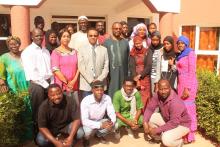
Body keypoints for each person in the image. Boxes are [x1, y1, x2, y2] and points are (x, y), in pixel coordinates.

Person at [0, 36, 33, 141]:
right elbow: (1, 76)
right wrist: (2, 85)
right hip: (14, 92)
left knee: (30, 113)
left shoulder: (24, 55)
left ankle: (30, 138)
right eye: (11, 44)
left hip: (28, 90)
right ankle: (19, 139)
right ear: (8, 45)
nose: (14, 46)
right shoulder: (4, 58)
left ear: (20, 44)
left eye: (16, 43)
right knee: (18, 115)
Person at [21, 28, 52, 136]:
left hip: (48, 84)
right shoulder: (27, 52)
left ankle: (49, 132)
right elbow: (32, 73)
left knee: (49, 109)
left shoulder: (46, 50)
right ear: (32, 37)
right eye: (37, 36)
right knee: (38, 111)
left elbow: (50, 69)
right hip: (37, 85)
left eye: (41, 35)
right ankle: (39, 136)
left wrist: (51, 83)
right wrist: (47, 85)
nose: (39, 37)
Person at [143, 79, 191, 147]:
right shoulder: (158, 95)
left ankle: (179, 143)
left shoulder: (175, 102)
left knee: (166, 139)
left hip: (181, 125)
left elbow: (174, 123)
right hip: (168, 120)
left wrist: (157, 130)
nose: (163, 92)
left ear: (170, 88)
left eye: (165, 89)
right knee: (150, 117)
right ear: (158, 89)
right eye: (161, 89)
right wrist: (145, 122)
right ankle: (158, 138)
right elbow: (149, 108)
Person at [176, 35, 198, 143]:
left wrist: (187, 88)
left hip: (189, 84)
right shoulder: (180, 55)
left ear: (186, 43)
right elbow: (180, 69)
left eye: (182, 43)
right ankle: (184, 134)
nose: (180, 45)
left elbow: (192, 71)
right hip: (181, 83)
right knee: (183, 109)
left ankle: (190, 136)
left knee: (188, 109)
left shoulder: (190, 53)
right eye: (178, 43)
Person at [81, 81, 116, 147]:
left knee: (115, 125)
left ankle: (98, 135)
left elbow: (111, 112)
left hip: (100, 120)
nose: (99, 92)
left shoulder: (107, 98)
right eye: (97, 90)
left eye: (101, 90)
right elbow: (84, 120)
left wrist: (112, 122)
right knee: (88, 131)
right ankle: (86, 139)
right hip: (89, 121)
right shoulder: (86, 100)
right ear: (92, 90)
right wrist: (100, 125)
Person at [51, 28, 80, 106]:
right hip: (62, 86)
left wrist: (74, 81)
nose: (66, 38)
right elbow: (55, 70)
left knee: (75, 107)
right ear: (60, 38)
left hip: (74, 85)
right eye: (64, 36)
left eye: (68, 36)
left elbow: (79, 67)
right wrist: (67, 82)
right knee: (64, 108)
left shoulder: (75, 52)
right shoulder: (55, 52)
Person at [78, 28, 109, 98]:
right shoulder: (81, 49)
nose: (93, 37)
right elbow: (81, 67)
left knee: (100, 107)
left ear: (98, 36)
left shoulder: (104, 49)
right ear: (87, 36)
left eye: (95, 35)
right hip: (87, 84)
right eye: (91, 35)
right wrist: (91, 80)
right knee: (88, 107)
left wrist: (99, 80)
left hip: (101, 84)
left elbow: (106, 67)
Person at [104, 22, 129, 98]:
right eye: (116, 28)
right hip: (111, 73)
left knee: (123, 92)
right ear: (112, 29)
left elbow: (128, 58)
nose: (118, 30)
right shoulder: (106, 42)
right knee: (112, 92)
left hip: (123, 73)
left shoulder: (125, 42)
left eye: (119, 28)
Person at [129, 36, 152, 109]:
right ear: (134, 44)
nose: (138, 45)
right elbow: (132, 67)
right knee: (137, 95)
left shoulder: (147, 51)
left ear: (142, 42)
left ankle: (144, 114)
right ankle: (138, 114)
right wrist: (136, 78)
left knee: (146, 96)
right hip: (135, 78)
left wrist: (140, 75)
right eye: (136, 44)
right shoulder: (132, 53)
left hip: (145, 76)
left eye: (139, 43)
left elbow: (149, 65)